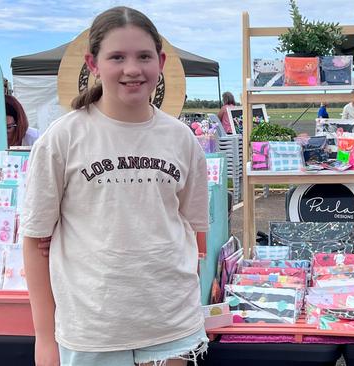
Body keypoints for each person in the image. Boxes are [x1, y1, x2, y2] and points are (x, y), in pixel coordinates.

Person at [21, 6, 209, 366]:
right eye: (117, 57)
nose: (132, 69)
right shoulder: (62, 138)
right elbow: (34, 240)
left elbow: (194, 229)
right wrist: (44, 338)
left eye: (143, 56)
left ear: (161, 61)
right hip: (91, 329)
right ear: (93, 64)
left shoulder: (182, 139)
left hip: (171, 327)